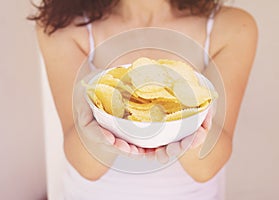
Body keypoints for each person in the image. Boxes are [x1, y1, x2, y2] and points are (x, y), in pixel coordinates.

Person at [30, 0, 258, 199]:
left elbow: (207, 167)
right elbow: (85, 166)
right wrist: (95, 135)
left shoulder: (233, 28)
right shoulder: (63, 28)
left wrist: (191, 132)